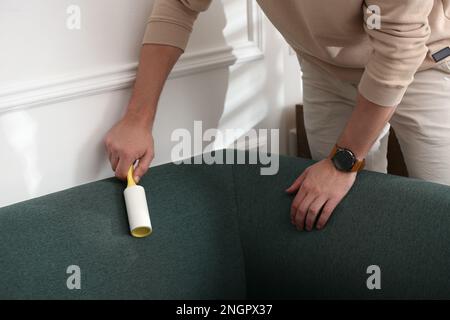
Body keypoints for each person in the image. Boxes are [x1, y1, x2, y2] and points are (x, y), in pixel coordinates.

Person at [105, 0, 450, 231]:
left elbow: (398, 50)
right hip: (325, 68)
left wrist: (342, 161)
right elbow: (179, 6)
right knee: (344, 215)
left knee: (441, 212)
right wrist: (138, 118)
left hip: (424, 62)